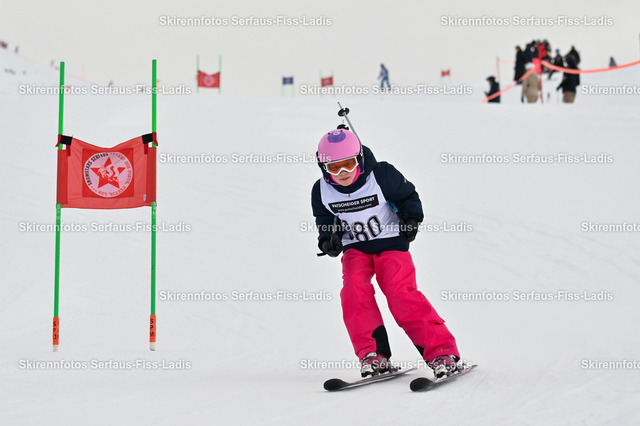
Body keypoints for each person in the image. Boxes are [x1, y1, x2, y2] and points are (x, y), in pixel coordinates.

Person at [311, 128, 460, 378]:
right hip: (355, 248)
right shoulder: (321, 191)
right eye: (334, 168)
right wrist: (328, 240)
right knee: (353, 293)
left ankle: (441, 351)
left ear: (359, 159)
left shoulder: (381, 175)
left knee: (400, 294)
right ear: (324, 168)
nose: (343, 172)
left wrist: (411, 220)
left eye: (348, 164)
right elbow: (324, 220)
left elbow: (408, 196)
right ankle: (373, 354)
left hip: (390, 243)